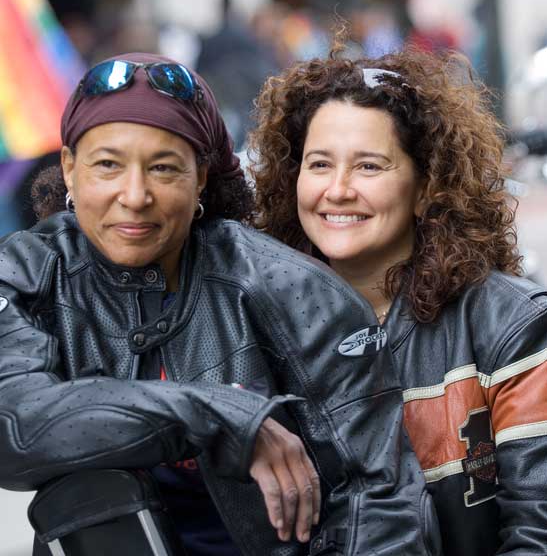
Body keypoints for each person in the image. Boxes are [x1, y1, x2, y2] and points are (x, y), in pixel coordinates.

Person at [0, 53, 440, 556]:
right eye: (108, 165)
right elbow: (15, 426)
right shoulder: (26, 274)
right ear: (70, 170)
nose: (135, 195)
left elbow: (378, 502)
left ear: (201, 177)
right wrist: (219, 416)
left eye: (163, 168)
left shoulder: (293, 290)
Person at [250, 45, 547, 556]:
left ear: (427, 185)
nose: (338, 190)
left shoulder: (511, 325)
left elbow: (536, 532)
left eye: (369, 166)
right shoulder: (256, 322)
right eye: (319, 164)